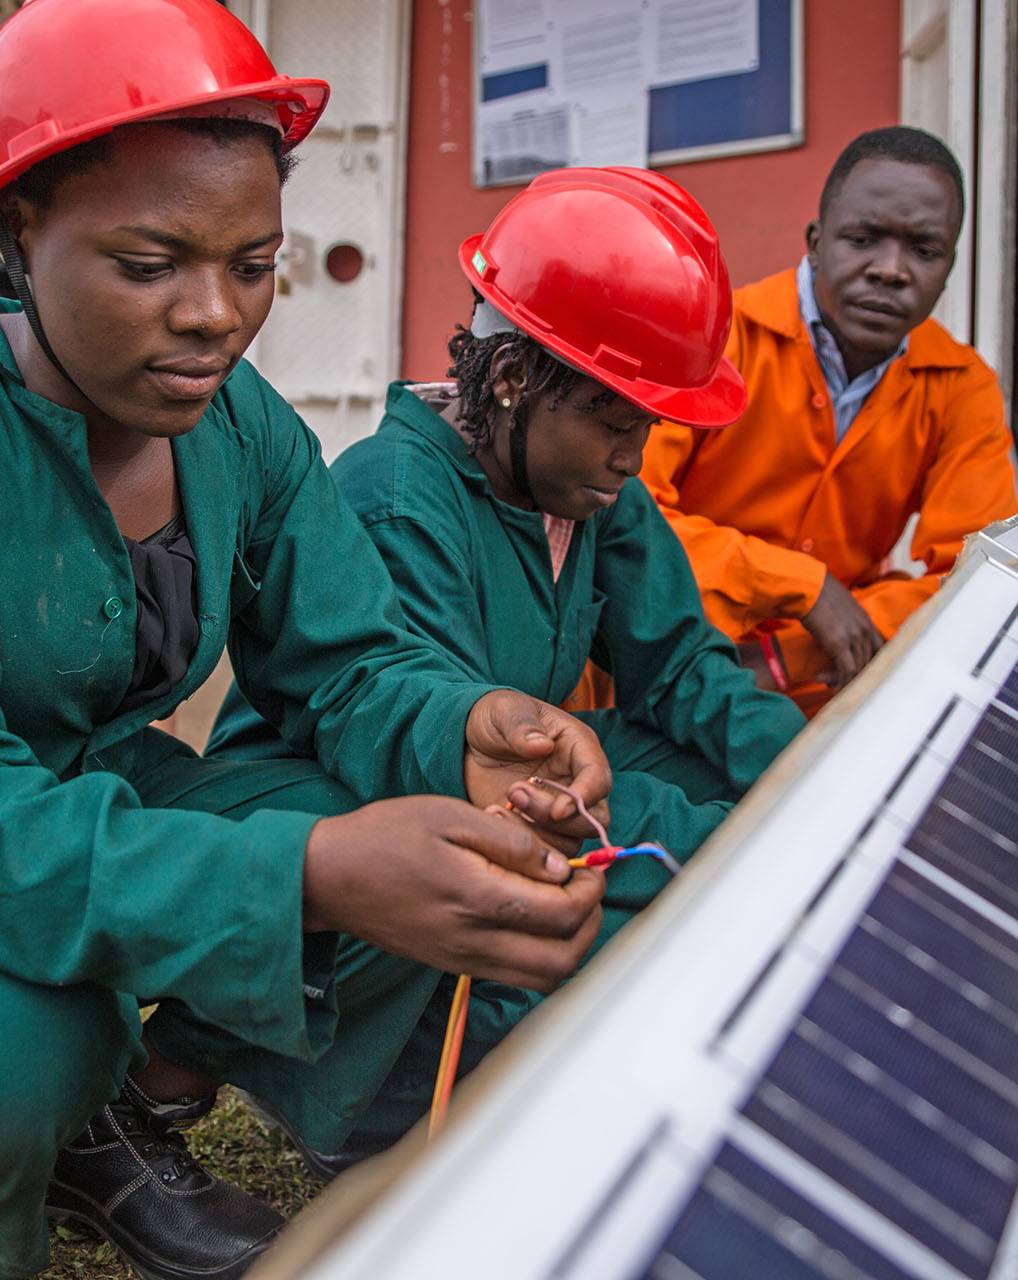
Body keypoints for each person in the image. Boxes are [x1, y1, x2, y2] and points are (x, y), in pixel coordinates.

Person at [0, 2, 616, 1278]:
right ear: (17, 231)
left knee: (404, 819)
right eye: (148, 264)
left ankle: (96, 1123)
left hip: (91, 794)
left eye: (253, 263)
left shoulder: (242, 429)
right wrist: (303, 875)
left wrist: (462, 728)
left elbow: (349, 663)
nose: (215, 316)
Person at [209, 170, 807, 1167]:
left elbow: (682, 671)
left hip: (506, 795)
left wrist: (819, 781)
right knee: (647, 895)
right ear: (513, 379)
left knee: (695, 762)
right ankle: (383, 1089)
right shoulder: (399, 503)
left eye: (647, 426)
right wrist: (740, 858)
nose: (633, 455)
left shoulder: (582, 484)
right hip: (365, 822)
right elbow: (490, 791)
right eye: (615, 420)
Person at [639, 126, 1018, 717]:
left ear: (948, 267)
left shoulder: (962, 387)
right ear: (816, 242)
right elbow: (628, 520)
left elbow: (979, 580)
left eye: (923, 250)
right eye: (864, 239)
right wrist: (801, 585)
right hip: (655, 667)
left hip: (828, 694)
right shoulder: (715, 338)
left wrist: (789, 653)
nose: (890, 271)